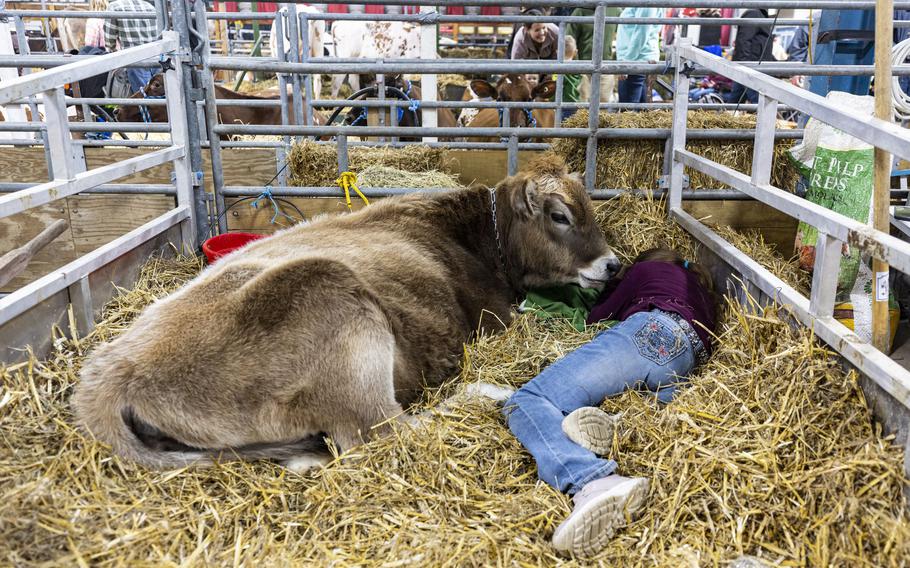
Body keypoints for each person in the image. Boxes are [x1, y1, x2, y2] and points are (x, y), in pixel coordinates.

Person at [502, 248, 717, 556]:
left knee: (526, 402)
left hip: (651, 332)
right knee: (625, 403)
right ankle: (611, 423)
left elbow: (597, 316)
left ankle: (592, 481)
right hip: (686, 362)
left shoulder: (644, 272)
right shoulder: (702, 292)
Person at [566, 6, 621, 104]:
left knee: (604, 102)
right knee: (582, 102)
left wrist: (616, 59)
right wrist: (576, 64)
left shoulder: (614, 10)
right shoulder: (580, 11)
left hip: (606, 65)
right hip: (583, 66)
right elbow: (569, 38)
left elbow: (623, 35)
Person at [103, 0, 157, 93]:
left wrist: (112, 49)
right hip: (155, 56)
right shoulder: (150, 7)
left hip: (134, 58)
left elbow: (109, 37)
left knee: (143, 95)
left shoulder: (115, 7)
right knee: (158, 93)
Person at [726, 8, 776, 105]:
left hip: (752, 68)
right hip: (751, 70)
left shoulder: (760, 15)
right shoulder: (754, 13)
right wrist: (744, 67)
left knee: (735, 103)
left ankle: (726, 118)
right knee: (759, 103)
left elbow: (764, 48)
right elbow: (743, 41)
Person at [615, 7, 662, 104]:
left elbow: (641, 33)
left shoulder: (646, 5)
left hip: (636, 60)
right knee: (637, 110)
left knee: (628, 111)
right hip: (637, 58)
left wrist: (627, 64)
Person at [560, 35, 581, 121]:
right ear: (575, 52)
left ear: (557, 51)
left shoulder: (556, 68)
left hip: (560, 103)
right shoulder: (578, 69)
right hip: (575, 103)